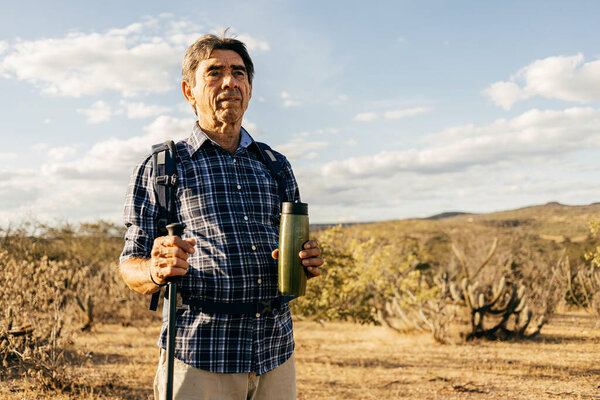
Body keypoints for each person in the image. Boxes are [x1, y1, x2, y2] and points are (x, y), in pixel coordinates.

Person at [119, 32, 323, 400]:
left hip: (274, 354)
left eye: (239, 72)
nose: (230, 81)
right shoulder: (163, 167)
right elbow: (128, 264)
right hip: (200, 357)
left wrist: (304, 259)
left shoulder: (275, 166)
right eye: (215, 72)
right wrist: (154, 269)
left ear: (249, 88)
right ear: (189, 91)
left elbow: (292, 254)